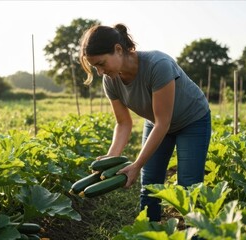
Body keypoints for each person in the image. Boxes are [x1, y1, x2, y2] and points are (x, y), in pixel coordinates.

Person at [79, 23, 211, 222]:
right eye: (95, 67)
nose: (99, 72)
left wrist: (137, 164)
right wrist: (110, 158)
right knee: (149, 184)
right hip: (156, 121)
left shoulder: (158, 65)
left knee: (189, 186)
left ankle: (196, 234)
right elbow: (123, 123)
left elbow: (163, 122)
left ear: (118, 49)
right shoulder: (110, 79)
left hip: (192, 120)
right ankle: (149, 232)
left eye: (101, 63)